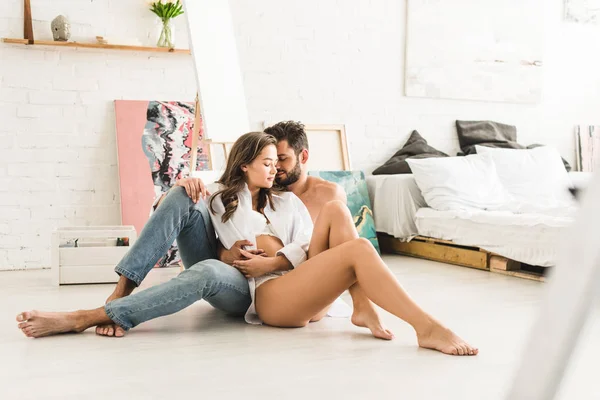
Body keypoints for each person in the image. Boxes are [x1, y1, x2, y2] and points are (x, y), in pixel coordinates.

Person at [16, 131, 477, 356]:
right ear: (245, 163)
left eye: (278, 162)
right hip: (254, 291)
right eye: (267, 162)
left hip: (285, 288)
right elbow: (214, 244)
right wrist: (224, 247)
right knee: (195, 242)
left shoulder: (289, 206)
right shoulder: (222, 200)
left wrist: (274, 258)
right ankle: (111, 305)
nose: (275, 169)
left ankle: (420, 324)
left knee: (353, 242)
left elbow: (302, 250)